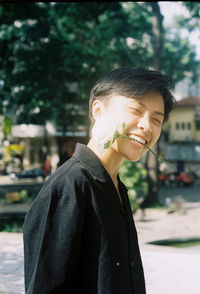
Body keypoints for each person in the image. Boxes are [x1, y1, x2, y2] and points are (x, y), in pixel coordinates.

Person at [23, 67, 176, 294]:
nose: (146, 126)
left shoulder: (116, 187)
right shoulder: (69, 187)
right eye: (135, 110)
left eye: (157, 119)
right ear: (98, 110)